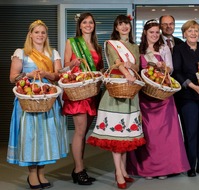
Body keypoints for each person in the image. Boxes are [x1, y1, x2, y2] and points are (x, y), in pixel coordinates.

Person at [7, 20, 68, 189]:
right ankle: (32, 174)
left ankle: (42, 172)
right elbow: (13, 78)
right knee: (31, 137)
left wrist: (46, 73)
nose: (40, 35)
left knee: (45, 137)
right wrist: (28, 74)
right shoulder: (22, 53)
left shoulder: (52, 53)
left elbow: (57, 77)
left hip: (48, 100)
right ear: (30, 35)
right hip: (28, 101)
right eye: (37, 32)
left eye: (43, 32)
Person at [86, 15, 146, 189]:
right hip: (115, 90)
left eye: (126, 24)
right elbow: (116, 62)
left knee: (126, 133)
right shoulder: (110, 44)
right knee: (116, 134)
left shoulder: (135, 47)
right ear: (116, 28)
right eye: (121, 24)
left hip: (131, 91)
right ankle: (118, 172)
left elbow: (137, 68)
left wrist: (131, 68)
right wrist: (126, 71)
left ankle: (124, 170)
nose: (124, 27)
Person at [126, 19, 190, 180]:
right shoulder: (138, 50)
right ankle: (147, 169)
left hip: (163, 95)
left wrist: (164, 68)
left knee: (165, 133)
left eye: (156, 32)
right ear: (145, 33)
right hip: (145, 97)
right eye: (151, 32)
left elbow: (171, 68)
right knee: (149, 132)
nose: (154, 35)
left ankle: (165, 168)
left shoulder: (163, 48)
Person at [62, 12, 104, 185]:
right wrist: (73, 64)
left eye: (91, 22)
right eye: (85, 22)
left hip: (92, 92)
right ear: (79, 25)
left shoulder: (97, 45)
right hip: (78, 92)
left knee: (84, 132)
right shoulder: (71, 42)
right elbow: (65, 68)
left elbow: (99, 69)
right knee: (79, 131)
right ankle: (79, 170)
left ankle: (78, 168)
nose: (88, 25)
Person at [172, 20, 199, 177]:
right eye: (190, 31)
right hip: (188, 95)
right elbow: (177, 72)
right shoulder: (179, 49)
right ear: (184, 34)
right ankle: (190, 165)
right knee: (191, 131)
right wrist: (192, 86)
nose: (193, 33)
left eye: (196, 30)